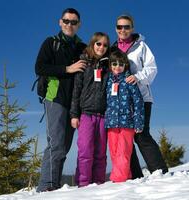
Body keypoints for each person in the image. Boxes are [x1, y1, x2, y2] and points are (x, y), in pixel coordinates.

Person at [35, 8, 87, 192]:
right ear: (60, 22)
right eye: (66, 21)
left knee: (64, 147)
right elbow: (40, 67)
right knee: (55, 143)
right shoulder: (51, 43)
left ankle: (53, 186)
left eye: (73, 22)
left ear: (79, 25)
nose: (69, 25)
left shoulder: (82, 47)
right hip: (54, 98)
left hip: (74, 102)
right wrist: (67, 69)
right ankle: (46, 187)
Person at [111, 14, 168, 178]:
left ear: (132, 28)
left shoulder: (141, 46)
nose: (123, 30)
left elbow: (152, 68)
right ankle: (134, 175)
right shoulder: (113, 49)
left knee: (141, 134)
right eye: (120, 27)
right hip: (121, 101)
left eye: (126, 27)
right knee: (127, 137)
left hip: (141, 97)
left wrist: (138, 77)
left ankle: (160, 171)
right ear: (116, 29)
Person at [70, 32, 110, 187]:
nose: (101, 47)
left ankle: (99, 183)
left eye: (105, 45)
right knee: (85, 150)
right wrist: (74, 114)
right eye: (98, 43)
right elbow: (76, 90)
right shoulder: (84, 63)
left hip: (103, 115)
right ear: (93, 44)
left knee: (100, 153)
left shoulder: (108, 66)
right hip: (86, 114)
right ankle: (83, 184)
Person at [105, 50, 144, 182]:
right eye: (114, 64)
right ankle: (125, 176)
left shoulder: (129, 81)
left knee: (123, 151)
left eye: (121, 64)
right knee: (114, 151)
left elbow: (138, 103)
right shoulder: (108, 82)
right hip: (111, 123)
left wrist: (138, 122)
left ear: (125, 66)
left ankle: (118, 180)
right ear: (110, 65)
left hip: (127, 122)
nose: (117, 67)